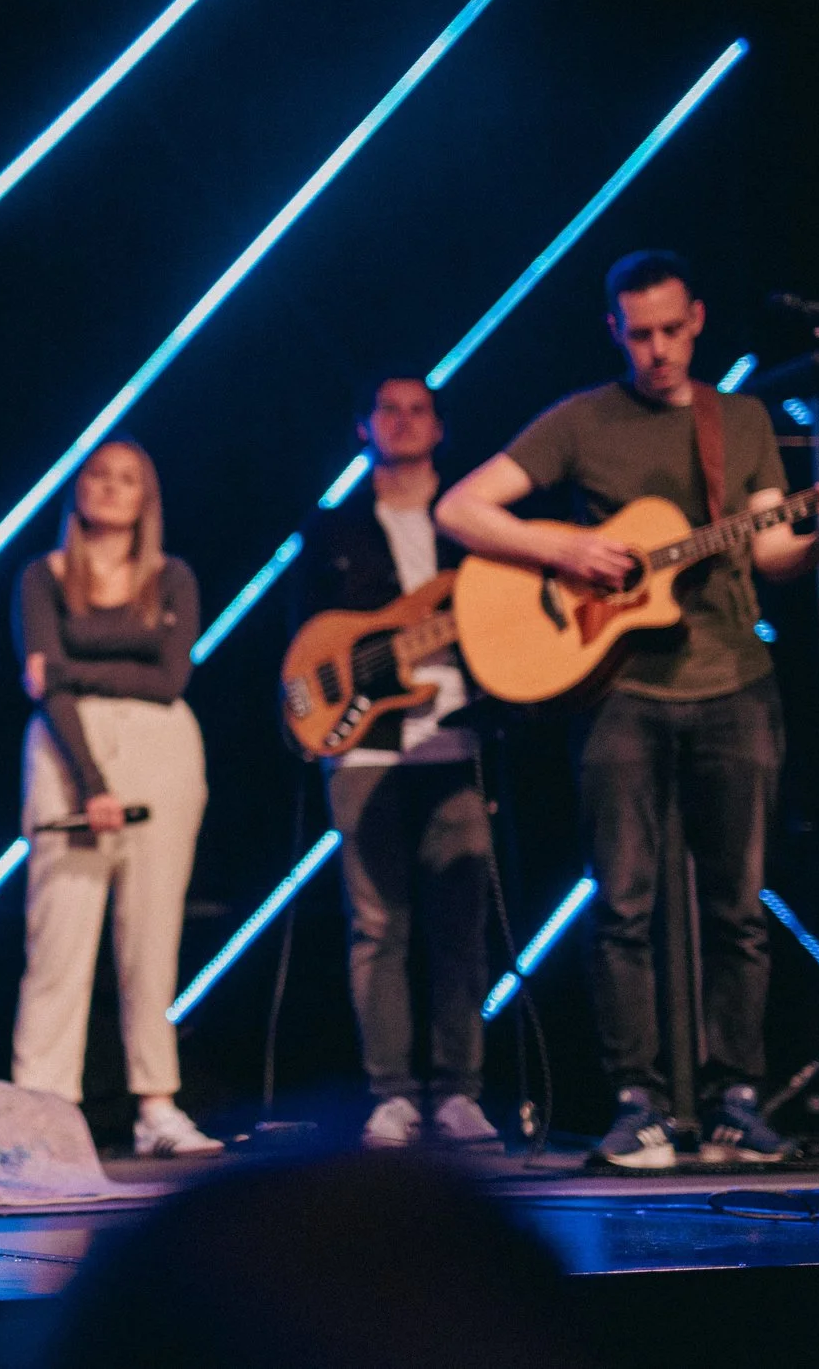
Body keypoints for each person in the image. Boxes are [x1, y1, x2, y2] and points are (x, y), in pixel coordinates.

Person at [436, 251, 819, 1169]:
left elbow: (772, 551)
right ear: (614, 331)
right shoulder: (581, 420)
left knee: (738, 907)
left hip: (736, 682)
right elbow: (461, 509)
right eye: (640, 335)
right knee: (622, 904)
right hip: (620, 693)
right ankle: (639, 1104)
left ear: (697, 318)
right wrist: (564, 549)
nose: (658, 349)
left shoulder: (738, 420)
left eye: (671, 330)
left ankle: (735, 1097)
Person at [293, 377, 495, 1150]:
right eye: (389, 409)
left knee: (460, 923)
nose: (404, 422)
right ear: (363, 426)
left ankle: (459, 1091)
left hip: (457, 738)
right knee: (377, 926)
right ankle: (392, 1094)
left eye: (419, 409)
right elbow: (304, 644)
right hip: (364, 744)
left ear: (440, 426)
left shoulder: (476, 526)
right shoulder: (332, 529)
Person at [12, 440, 221, 1157]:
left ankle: (156, 1105)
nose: (109, 487)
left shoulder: (171, 577)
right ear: (79, 488)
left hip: (163, 751)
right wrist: (93, 783)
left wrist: (69, 669)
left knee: (153, 937)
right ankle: (45, 1113)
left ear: (145, 498)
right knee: (58, 937)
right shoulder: (43, 576)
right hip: (67, 751)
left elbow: (170, 681)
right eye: (98, 475)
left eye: (127, 479)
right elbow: (45, 690)